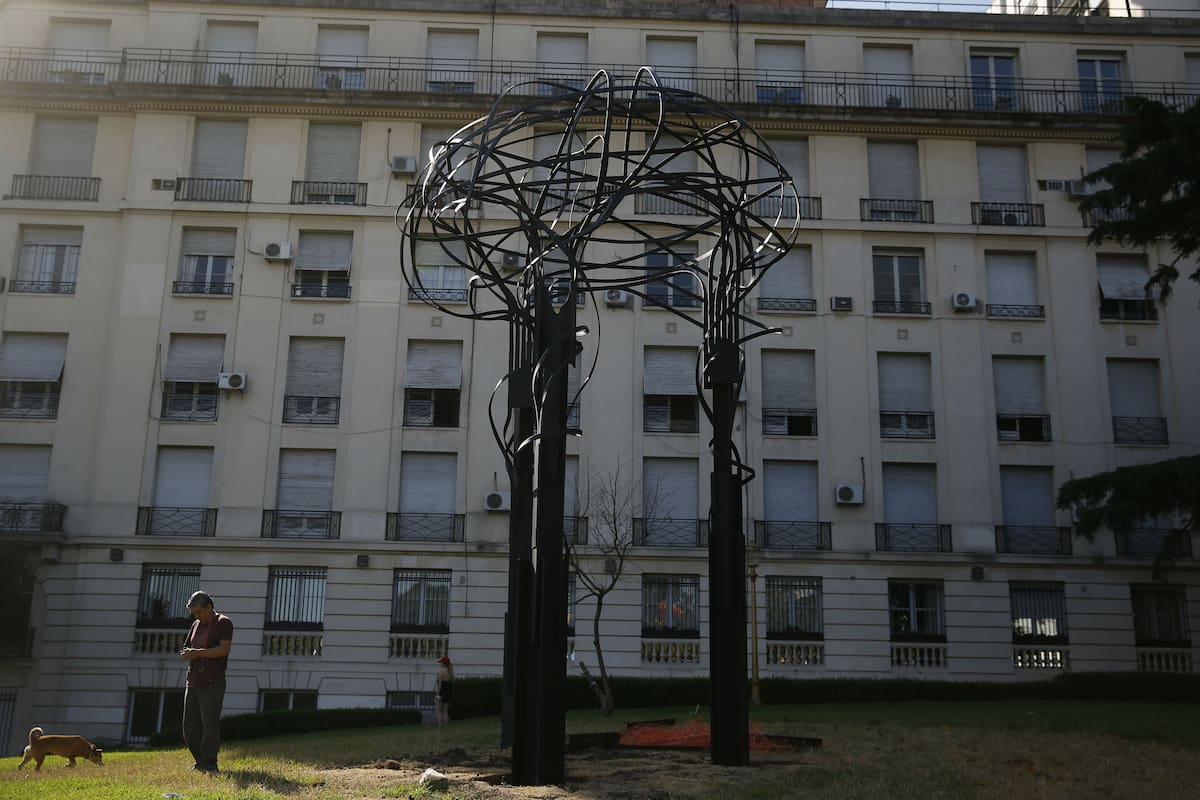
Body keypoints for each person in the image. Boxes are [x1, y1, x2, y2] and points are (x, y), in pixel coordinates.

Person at [179, 591, 233, 774]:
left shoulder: (223, 622)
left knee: (209, 724)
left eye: (198, 612)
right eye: (194, 613)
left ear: (209, 607)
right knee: (189, 726)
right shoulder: (196, 625)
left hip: (212, 681)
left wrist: (198, 653)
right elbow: (187, 648)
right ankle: (200, 761)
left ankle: (210, 762)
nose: (196, 616)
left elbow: (223, 649)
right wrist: (187, 654)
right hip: (193, 680)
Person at [434, 655, 454, 725]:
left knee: (438, 710)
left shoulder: (441, 672)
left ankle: (440, 726)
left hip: (441, 693)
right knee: (445, 711)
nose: (440, 663)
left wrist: (437, 695)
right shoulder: (450, 672)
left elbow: (439, 685)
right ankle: (446, 727)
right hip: (448, 693)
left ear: (443, 663)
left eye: (441, 662)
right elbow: (452, 684)